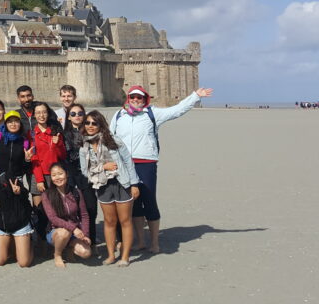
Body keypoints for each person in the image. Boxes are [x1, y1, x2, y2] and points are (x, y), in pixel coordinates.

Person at [111, 85, 213, 253]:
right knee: (133, 204)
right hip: (124, 164)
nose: (136, 100)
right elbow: (110, 136)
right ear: (127, 99)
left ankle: (154, 242)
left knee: (149, 201)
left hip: (146, 163)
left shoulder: (152, 113)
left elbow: (177, 110)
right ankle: (141, 241)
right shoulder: (119, 115)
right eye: (132, 97)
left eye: (139, 97)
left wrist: (195, 96)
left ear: (145, 99)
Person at [81, 109, 140, 267]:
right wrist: (103, 166)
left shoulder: (113, 139)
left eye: (95, 123)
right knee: (109, 221)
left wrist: (134, 184)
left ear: (101, 124)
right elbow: (84, 171)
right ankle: (110, 255)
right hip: (102, 185)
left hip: (121, 182)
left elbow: (128, 161)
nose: (91, 126)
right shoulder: (84, 146)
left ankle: (125, 256)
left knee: (125, 221)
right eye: (87, 123)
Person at [0, 158, 33, 268]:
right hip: (2, 227)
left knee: (23, 263)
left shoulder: (6, 175)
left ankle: (28, 246)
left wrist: (19, 191)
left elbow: (25, 194)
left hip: (19, 223)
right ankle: (13, 243)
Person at [42, 162, 91, 268]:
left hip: (74, 232)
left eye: (60, 173)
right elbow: (53, 218)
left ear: (66, 174)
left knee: (86, 252)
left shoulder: (76, 192)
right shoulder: (47, 194)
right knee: (64, 232)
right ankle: (57, 254)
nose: (57, 178)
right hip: (55, 232)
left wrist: (85, 234)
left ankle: (68, 248)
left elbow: (84, 215)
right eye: (54, 175)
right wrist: (74, 228)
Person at [61, 103, 97, 246]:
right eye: (73, 114)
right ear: (68, 117)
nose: (77, 116)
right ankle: (71, 241)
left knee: (90, 208)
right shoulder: (63, 135)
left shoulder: (91, 132)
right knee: (70, 210)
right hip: (70, 175)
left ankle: (91, 239)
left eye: (80, 113)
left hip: (87, 175)